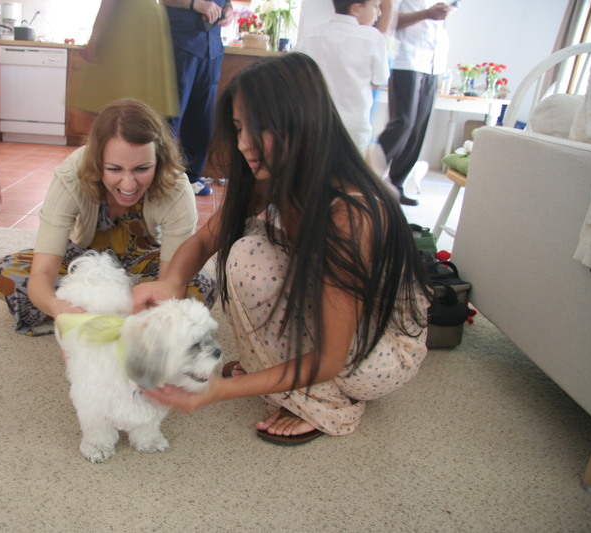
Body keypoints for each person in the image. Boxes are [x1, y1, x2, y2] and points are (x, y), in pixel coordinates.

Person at [133, 53, 431, 444]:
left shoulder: (350, 214)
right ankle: (281, 377)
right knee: (246, 253)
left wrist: (220, 390)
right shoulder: (271, 174)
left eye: (258, 128)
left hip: (380, 352)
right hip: (331, 317)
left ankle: (326, 405)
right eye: (238, 128)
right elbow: (206, 239)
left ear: (301, 121)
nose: (243, 144)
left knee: (252, 261)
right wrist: (171, 282)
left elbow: (331, 358)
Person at [0, 99, 216, 336]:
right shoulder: (70, 177)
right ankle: (116, 312)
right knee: (1, 275)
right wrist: (57, 307)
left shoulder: (176, 187)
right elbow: (42, 272)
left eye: (142, 169)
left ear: (159, 160)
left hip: (144, 262)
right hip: (81, 262)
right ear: (97, 163)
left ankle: (98, 311)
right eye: (114, 169)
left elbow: (169, 284)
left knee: (201, 286)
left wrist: (155, 295)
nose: (129, 185)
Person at [371, 0, 454, 206]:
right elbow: (387, 19)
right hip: (406, 60)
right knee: (404, 122)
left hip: (434, 64)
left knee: (418, 129)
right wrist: (426, 14)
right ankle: (367, 176)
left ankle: (396, 185)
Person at [161, 0, 235, 196]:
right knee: (170, 116)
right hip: (179, 43)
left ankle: (192, 176)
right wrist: (196, 4)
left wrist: (229, 9)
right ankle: (160, 177)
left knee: (202, 118)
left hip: (212, 46)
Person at [296, 0, 389, 154]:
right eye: (375, 6)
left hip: (315, 122)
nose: (379, 13)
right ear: (356, 8)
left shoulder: (311, 34)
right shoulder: (373, 38)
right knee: (350, 166)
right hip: (354, 125)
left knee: (314, 164)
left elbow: (296, 73)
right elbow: (379, 81)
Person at [68, 0, 179, 118]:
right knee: (140, 106)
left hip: (126, 20)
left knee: (109, 105)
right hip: (149, 17)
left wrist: (95, 35)